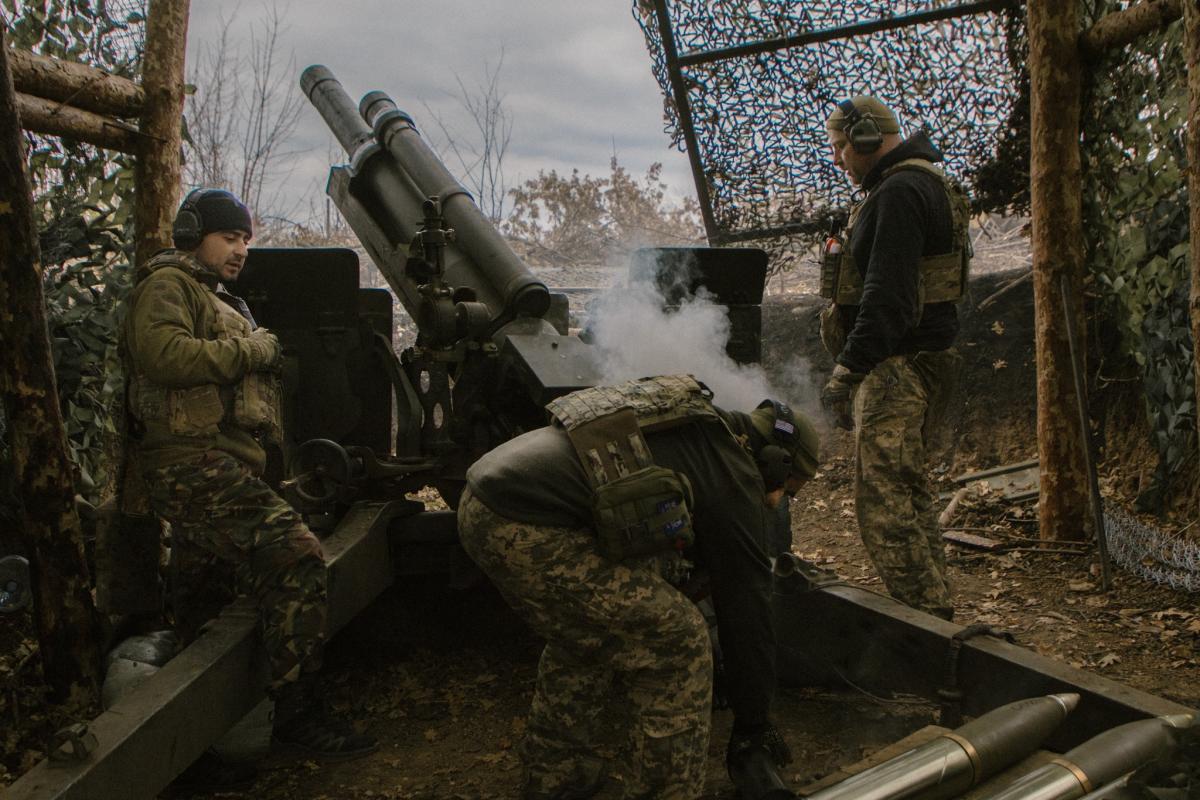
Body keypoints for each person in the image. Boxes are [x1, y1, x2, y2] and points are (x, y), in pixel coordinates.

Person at [456, 375, 819, 800]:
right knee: (679, 641)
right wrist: (754, 725)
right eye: (787, 490)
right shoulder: (735, 473)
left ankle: (557, 776)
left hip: (485, 499)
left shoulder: (701, 430)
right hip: (525, 524)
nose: (778, 503)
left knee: (590, 632)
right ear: (775, 461)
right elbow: (748, 612)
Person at [120, 188, 377, 760]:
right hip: (191, 463)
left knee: (205, 600)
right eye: (229, 237)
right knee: (297, 556)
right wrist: (253, 352)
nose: (240, 250)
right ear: (193, 234)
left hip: (216, 463)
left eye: (245, 240)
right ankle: (298, 714)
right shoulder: (168, 286)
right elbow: (163, 355)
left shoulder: (212, 295)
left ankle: (199, 746)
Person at [818, 96, 971, 621]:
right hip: (924, 359)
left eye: (840, 146)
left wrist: (849, 369)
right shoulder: (923, 180)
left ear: (865, 138)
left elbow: (889, 298)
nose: (838, 158)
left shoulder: (900, 191)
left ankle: (926, 629)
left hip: (899, 368)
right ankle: (936, 610)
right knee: (910, 491)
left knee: (884, 506)